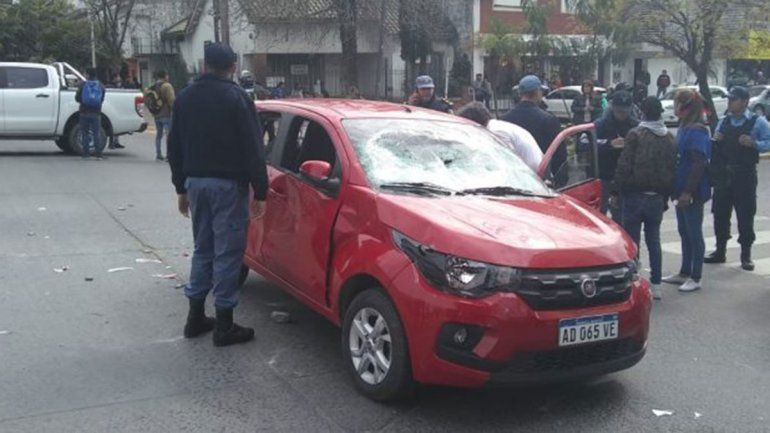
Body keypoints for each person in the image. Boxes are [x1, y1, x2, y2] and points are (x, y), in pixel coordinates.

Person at [168, 43, 268, 347]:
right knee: (228, 254)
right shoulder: (236, 97)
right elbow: (254, 147)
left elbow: (175, 146)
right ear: (233, 68)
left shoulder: (185, 97)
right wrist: (260, 190)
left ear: (204, 66)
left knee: (203, 249)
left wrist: (181, 187)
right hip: (227, 186)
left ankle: (195, 317)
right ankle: (224, 325)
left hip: (196, 183)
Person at [615, 97, 677, 300]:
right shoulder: (668, 137)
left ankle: (634, 282)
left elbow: (625, 165)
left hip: (634, 195)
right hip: (657, 197)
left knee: (632, 243)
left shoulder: (635, 134)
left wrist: (618, 191)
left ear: (642, 112)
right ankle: (656, 284)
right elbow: (671, 169)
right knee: (654, 240)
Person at [704, 86, 770, 270]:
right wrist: (715, 140)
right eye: (729, 99)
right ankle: (720, 250)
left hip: (745, 175)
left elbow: (768, 141)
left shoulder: (758, 122)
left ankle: (746, 255)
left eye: (734, 99)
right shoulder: (724, 121)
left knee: (745, 215)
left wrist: (754, 143)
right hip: (724, 175)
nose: (730, 102)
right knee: (720, 214)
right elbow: (714, 148)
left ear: (745, 101)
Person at [661, 90, 712, 292]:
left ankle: (696, 276)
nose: (675, 107)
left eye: (678, 103)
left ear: (686, 107)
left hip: (693, 190)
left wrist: (688, 192)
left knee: (694, 233)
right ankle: (684, 271)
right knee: (684, 231)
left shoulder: (697, 130)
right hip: (680, 187)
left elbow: (698, 164)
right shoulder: (684, 127)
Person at [501, 75, 563, 182]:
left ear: (520, 93)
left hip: (513, 179)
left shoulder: (504, 119)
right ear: (538, 92)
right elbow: (559, 155)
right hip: (541, 181)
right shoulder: (549, 120)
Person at [456, 101, 543, 172]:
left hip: (531, 175)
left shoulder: (497, 132)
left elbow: (506, 162)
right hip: (530, 171)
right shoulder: (496, 126)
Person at [595, 91, 640, 223]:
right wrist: (609, 143)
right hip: (604, 175)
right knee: (598, 217)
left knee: (621, 218)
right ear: (613, 108)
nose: (622, 114)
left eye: (625, 111)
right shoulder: (601, 124)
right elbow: (585, 143)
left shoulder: (636, 126)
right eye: (619, 111)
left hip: (626, 178)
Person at [75, 67, 106, 160]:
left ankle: (85, 154)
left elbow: (77, 98)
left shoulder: (83, 84)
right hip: (96, 113)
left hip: (84, 112)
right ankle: (98, 155)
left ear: (88, 75)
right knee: (96, 133)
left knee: (84, 133)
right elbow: (102, 99)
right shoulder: (100, 85)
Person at [149, 70, 176, 161]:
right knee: (169, 135)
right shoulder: (167, 86)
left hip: (156, 114)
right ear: (165, 76)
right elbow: (171, 100)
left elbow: (148, 99)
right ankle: (169, 155)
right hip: (166, 114)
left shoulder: (152, 86)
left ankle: (158, 154)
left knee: (159, 135)